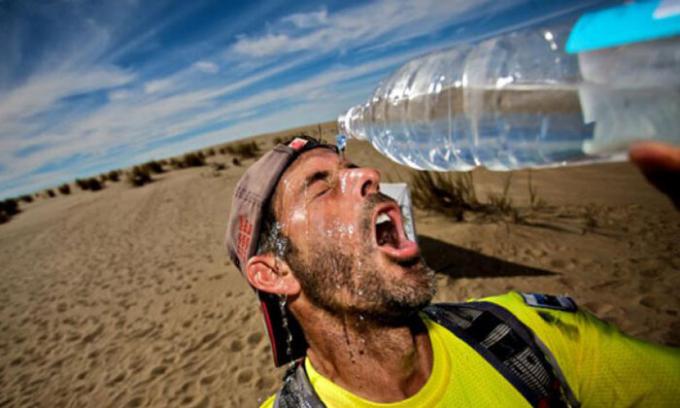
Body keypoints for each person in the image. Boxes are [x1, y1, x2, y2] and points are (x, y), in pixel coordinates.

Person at [225, 136, 680, 407]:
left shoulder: (529, 335)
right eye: (320, 186)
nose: (369, 173)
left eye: (352, 167)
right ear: (275, 272)